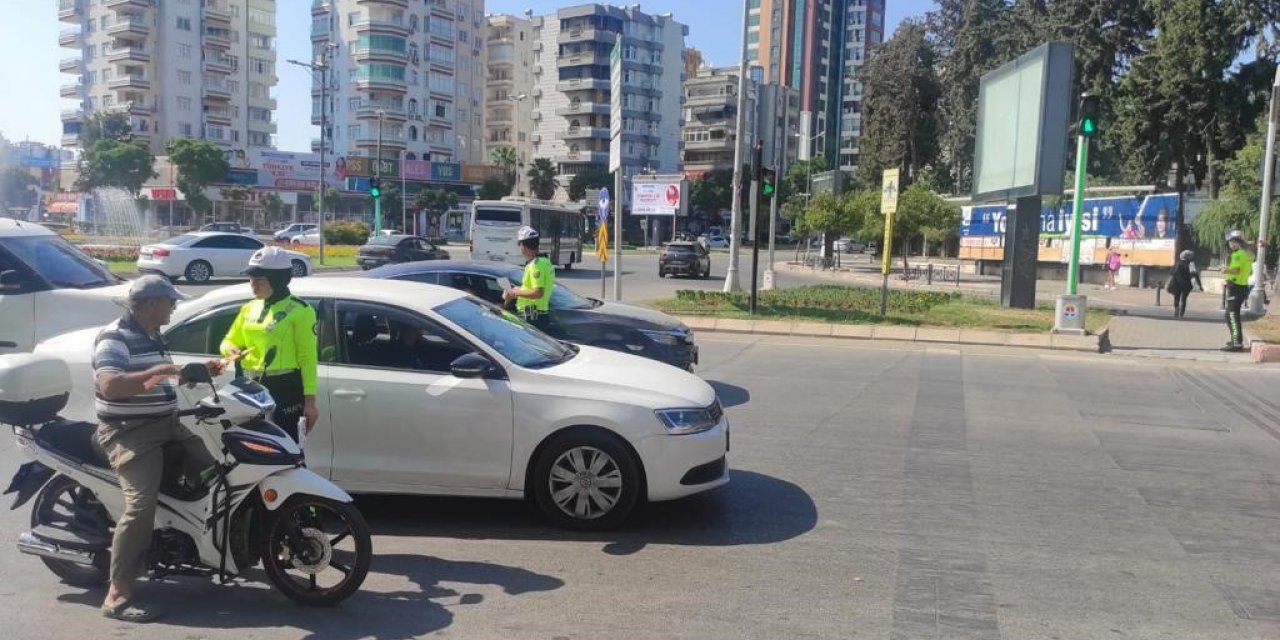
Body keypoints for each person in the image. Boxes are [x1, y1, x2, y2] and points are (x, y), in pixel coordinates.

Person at [93, 275, 225, 623]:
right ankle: (117, 593)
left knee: (215, 473)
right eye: (171, 301)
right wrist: (162, 370)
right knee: (140, 507)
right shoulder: (114, 338)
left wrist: (194, 372)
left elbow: (156, 378)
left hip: (168, 426)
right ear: (151, 304)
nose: (175, 306)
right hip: (131, 434)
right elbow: (110, 386)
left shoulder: (152, 334)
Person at [219, 247, 318, 442]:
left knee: (285, 448)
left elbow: (308, 359)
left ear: (278, 280)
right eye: (251, 280)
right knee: (250, 447)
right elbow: (228, 340)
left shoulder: (300, 310)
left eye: (259, 281)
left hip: (284, 388)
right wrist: (231, 351)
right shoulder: (249, 307)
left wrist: (310, 402)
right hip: (248, 386)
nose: (253, 286)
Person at [503, 225, 555, 328]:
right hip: (538, 311)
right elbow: (534, 288)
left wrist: (514, 292)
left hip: (531, 312)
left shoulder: (536, 265)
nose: (520, 248)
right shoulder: (545, 261)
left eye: (519, 244)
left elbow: (538, 292)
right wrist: (519, 289)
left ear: (524, 245)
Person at [1222, 230, 1253, 352]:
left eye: (1230, 241)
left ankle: (1237, 343)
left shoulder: (1237, 254)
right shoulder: (1246, 254)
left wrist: (1226, 271)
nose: (1229, 244)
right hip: (1241, 287)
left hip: (1236, 287)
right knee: (1230, 315)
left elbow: (1237, 270)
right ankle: (1235, 339)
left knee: (1232, 315)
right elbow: (1249, 272)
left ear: (1235, 242)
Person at [1166, 249, 1202, 319]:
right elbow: (1195, 275)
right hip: (1187, 284)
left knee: (1177, 297)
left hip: (1177, 283)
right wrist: (1200, 285)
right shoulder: (1191, 264)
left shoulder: (1178, 263)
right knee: (1184, 299)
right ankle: (1181, 313)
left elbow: (1172, 272)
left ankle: (1176, 310)